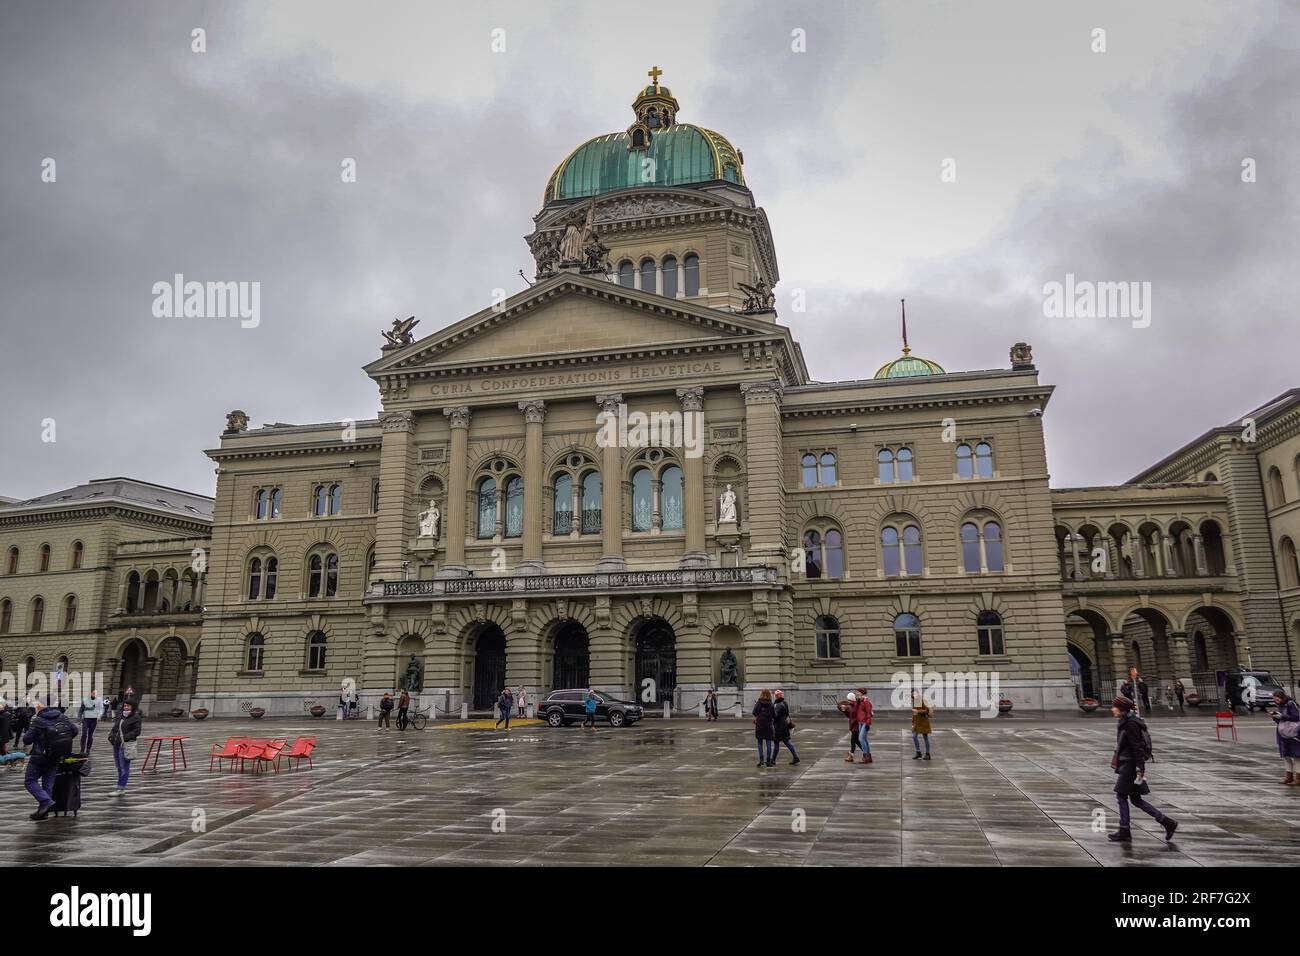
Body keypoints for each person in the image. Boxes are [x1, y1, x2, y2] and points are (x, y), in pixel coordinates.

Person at [1108, 696, 1177, 843]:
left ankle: (1124, 830)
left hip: (1131, 766)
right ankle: (1167, 822)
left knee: (1121, 796)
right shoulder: (1125, 721)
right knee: (1136, 800)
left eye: (1114, 707)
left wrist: (1140, 768)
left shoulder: (1130, 724)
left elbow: (1137, 747)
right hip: (1128, 764)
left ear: (1121, 709)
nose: (1112, 709)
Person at [23, 702, 79, 820]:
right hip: (56, 756)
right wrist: (59, 743)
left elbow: (27, 740)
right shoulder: (63, 717)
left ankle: (46, 801)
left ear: (39, 709)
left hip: (39, 757)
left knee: (30, 781)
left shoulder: (38, 721)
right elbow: (74, 730)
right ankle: (44, 812)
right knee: (48, 784)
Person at [107, 699, 142, 796]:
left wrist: (125, 738)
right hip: (116, 744)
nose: (126, 707)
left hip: (126, 745)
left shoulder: (135, 718)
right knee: (119, 767)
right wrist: (111, 736)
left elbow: (137, 731)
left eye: (128, 706)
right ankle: (120, 787)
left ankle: (121, 789)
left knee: (124, 768)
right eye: (125, 705)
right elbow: (115, 728)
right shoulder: (120, 716)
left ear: (133, 707)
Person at [1270, 691, 1300, 784]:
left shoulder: (1290, 704)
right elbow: (1280, 721)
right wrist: (1275, 717)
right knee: (1286, 755)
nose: (1276, 701)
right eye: (1274, 699)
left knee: (1296, 755)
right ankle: (1289, 776)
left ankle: (1298, 778)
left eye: (1277, 699)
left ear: (1282, 698)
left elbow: (1296, 717)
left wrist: (1282, 716)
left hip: (1293, 733)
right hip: (1283, 733)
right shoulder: (1281, 706)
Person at [772, 689, 798, 765]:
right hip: (785, 725)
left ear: (776, 696)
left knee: (777, 743)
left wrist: (772, 711)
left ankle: (773, 760)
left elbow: (775, 716)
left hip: (778, 727)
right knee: (787, 742)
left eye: (775, 696)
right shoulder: (784, 703)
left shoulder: (778, 705)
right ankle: (795, 757)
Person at [752, 689, 776, 768]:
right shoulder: (771, 704)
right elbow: (774, 715)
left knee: (760, 743)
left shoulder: (759, 703)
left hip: (760, 725)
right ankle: (768, 761)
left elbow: (754, 712)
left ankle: (761, 760)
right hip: (768, 725)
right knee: (769, 743)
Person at [839, 691, 861, 762]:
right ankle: (866, 752)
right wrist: (844, 711)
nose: (848, 701)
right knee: (857, 741)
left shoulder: (854, 706)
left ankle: (851, 755)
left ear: (852, 699)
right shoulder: (852, 706)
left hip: (856, 727)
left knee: (853, 741)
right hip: (853, 726)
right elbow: (849, 716)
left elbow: (854, 716)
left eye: (849, 700)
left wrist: (845, 709)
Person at [911, 691, 933, 759]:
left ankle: (927, 754)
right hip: (917, 723)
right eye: (913, 694)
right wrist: (913, 722)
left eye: (915, 694)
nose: (914, 695)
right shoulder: (914, 701)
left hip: (924, 722)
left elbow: (926, 710)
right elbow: (914, 713)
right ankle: (918, 752)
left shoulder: (922, 700)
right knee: (914, 736)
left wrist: (918, 711)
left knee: (925, 738)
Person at [855, 687, 874, 764]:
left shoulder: (866, 701)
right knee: (864, 739)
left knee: (860, 738)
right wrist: (858, 701)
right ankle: (868, 757)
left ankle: (865, 755)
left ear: (861, 693)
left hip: (865, 722)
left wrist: (868, 723)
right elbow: (856, 711)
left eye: (857, 692)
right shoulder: (859, 701)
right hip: (860, 722)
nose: (856, 693)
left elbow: (869, 713)